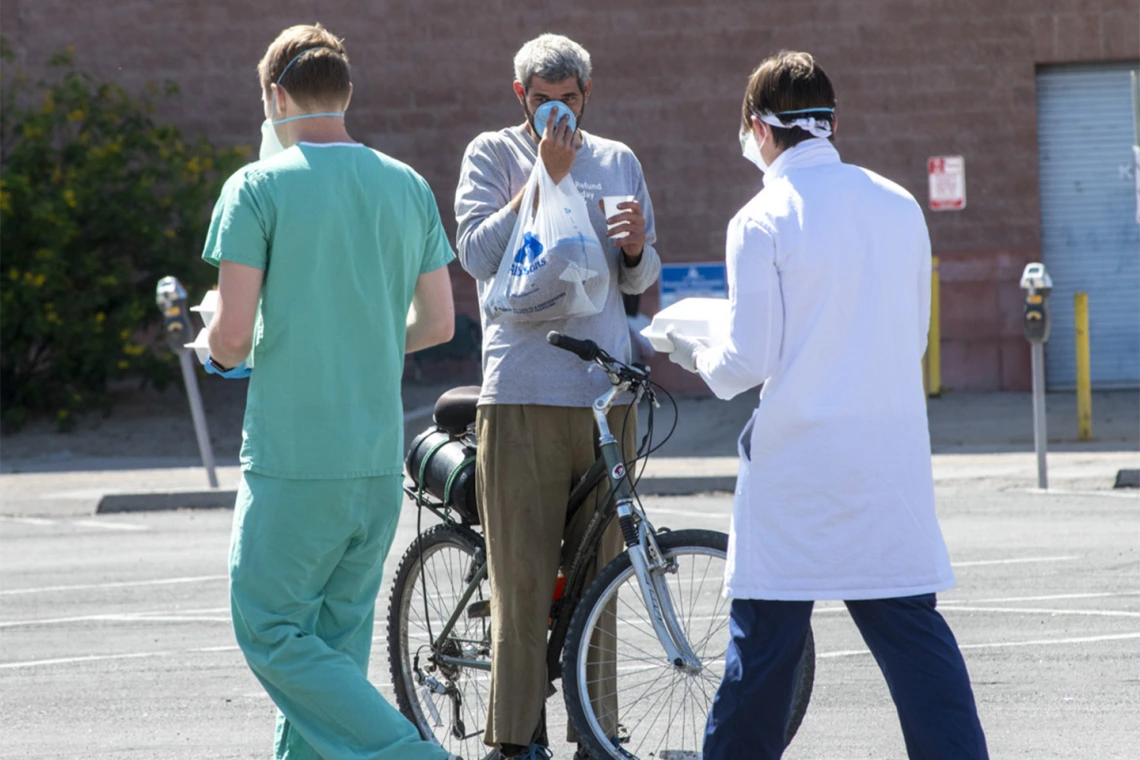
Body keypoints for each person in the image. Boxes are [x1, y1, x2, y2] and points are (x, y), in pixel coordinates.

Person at [664, 51, 989, 759]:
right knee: (915, 647)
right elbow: (916, 334)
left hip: (797, 471)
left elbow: (748, 359)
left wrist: (693, 351)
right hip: (886, 462)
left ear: (760, 127)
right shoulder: (898, 203)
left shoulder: (760, 219)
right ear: (830, 123)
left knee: (764, 657)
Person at [202, 23, 460, 760]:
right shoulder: (405, 183)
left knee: (270, 629)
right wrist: (364, 335)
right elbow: (438, 322)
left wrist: (216, 340)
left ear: (275, 96)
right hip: (377, 458)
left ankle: (416, 754)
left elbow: (230, 337)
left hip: (294, 457)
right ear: (344, 93)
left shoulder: (255, 187)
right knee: (332, 656)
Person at [454, 33, 661, 760]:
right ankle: (515, 741)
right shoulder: (491, 154)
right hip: (522, 394)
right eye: (542, 102)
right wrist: (538, 181)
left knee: (604, 576)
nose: (556, 116)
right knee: (523, 580)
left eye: (568, 102)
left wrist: (636, 249)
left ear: (587, 95)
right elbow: (476, 255)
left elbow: (637, 281)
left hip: (605, 397)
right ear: (521, 98)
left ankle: (596, 731)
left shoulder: (619, 159)